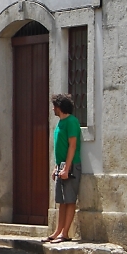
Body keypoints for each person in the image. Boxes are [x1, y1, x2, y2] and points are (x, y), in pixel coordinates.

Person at [45, 94, 82, 242]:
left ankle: (65, 233)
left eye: (54, 106)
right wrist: (56, 167)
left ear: (59, 107)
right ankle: (58, 231)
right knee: (61, 200)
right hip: (61, 165)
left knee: (70, 200)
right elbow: (59, 148)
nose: (53, 108)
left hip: (71, 165)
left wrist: (67, 167)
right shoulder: (60, 123)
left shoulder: (71, 122)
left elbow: (72, 145)